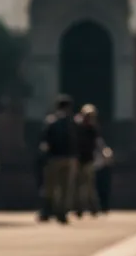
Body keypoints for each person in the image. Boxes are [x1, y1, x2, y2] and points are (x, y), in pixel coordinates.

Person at [41, 95, 78, 224]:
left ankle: (46, 211)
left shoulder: (51, 121)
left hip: (54, 158)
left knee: (50, 187)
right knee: (65, 188)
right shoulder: (72, 122)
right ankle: (61, 212)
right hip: (69, 158)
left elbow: (44, 141)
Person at [74, 105, 101, 217]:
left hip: (88, 159)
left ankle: (93, 207)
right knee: (79, 185)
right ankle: (79, 208)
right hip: (77, 159)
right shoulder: (77, 127)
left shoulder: (92, 128)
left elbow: (97, 142)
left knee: (89, 185)